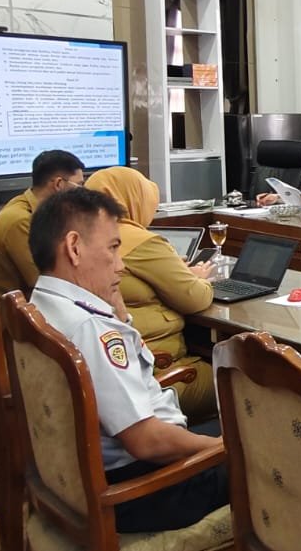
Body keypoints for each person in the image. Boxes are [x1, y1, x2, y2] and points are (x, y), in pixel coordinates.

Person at [27, 188, 227, 533]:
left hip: (76, 482)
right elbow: (146, 441)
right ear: (74, 247)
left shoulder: (40, 304)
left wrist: (119, 315)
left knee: (244, 428)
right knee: (273, 449)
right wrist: (224, 448)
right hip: (141, 488)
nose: (120, 265)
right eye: (113, 248)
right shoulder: (90, 329)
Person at [85, 167, 217, 419]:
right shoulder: (141, 240)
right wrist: (198, 278)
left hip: (108, 372)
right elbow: (195, 298)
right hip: (154, 372)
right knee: (244, 381)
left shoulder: (82, 237)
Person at [0, 150, 85, 297]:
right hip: (5, 308)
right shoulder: (21, 221)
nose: (82, 193)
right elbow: (46, 284)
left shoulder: (26, 204)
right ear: (59, 184)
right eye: (79, 185)